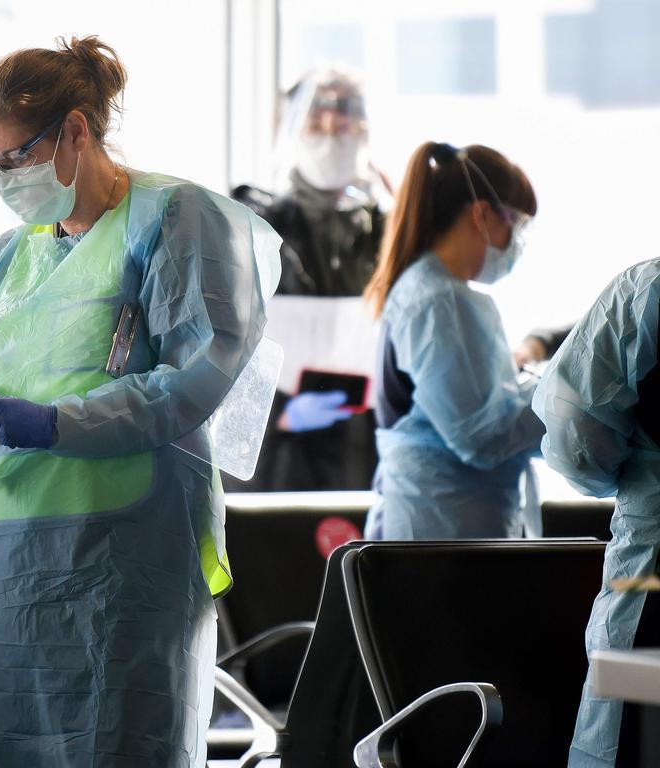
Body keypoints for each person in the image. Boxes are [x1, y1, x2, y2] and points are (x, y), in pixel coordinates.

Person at [0, 36, 280, 767]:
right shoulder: (10, 255)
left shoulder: (175, 220)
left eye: (13, 159)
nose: (4, 179)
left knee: (121, 741)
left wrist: (56, 422)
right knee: (12, 746)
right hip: (13, 547)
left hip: (127, 548)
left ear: (74, 130)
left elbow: (195, 378)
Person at [361, 142, 545, 539]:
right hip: (439, 536)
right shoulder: (437, 301)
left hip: (442, 529)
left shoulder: (432, 293)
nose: (518, 241)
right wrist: (568, 398)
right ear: (481, 213)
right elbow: (483, 435)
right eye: (517, 223)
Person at [228, 68, 390, 491]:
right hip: (277, 464)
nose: (331, 135)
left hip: (369, 454)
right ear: (288, 129)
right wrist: (282, 410)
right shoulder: (253, 226)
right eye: (316, 123)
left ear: (366, 130)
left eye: (344, 123)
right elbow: (217, 352)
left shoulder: (389, 233)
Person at [533, 260, 660, 767]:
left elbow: (575, 432)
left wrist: (632, 468)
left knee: (635, 735)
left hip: (652, 579)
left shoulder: (649, 292)